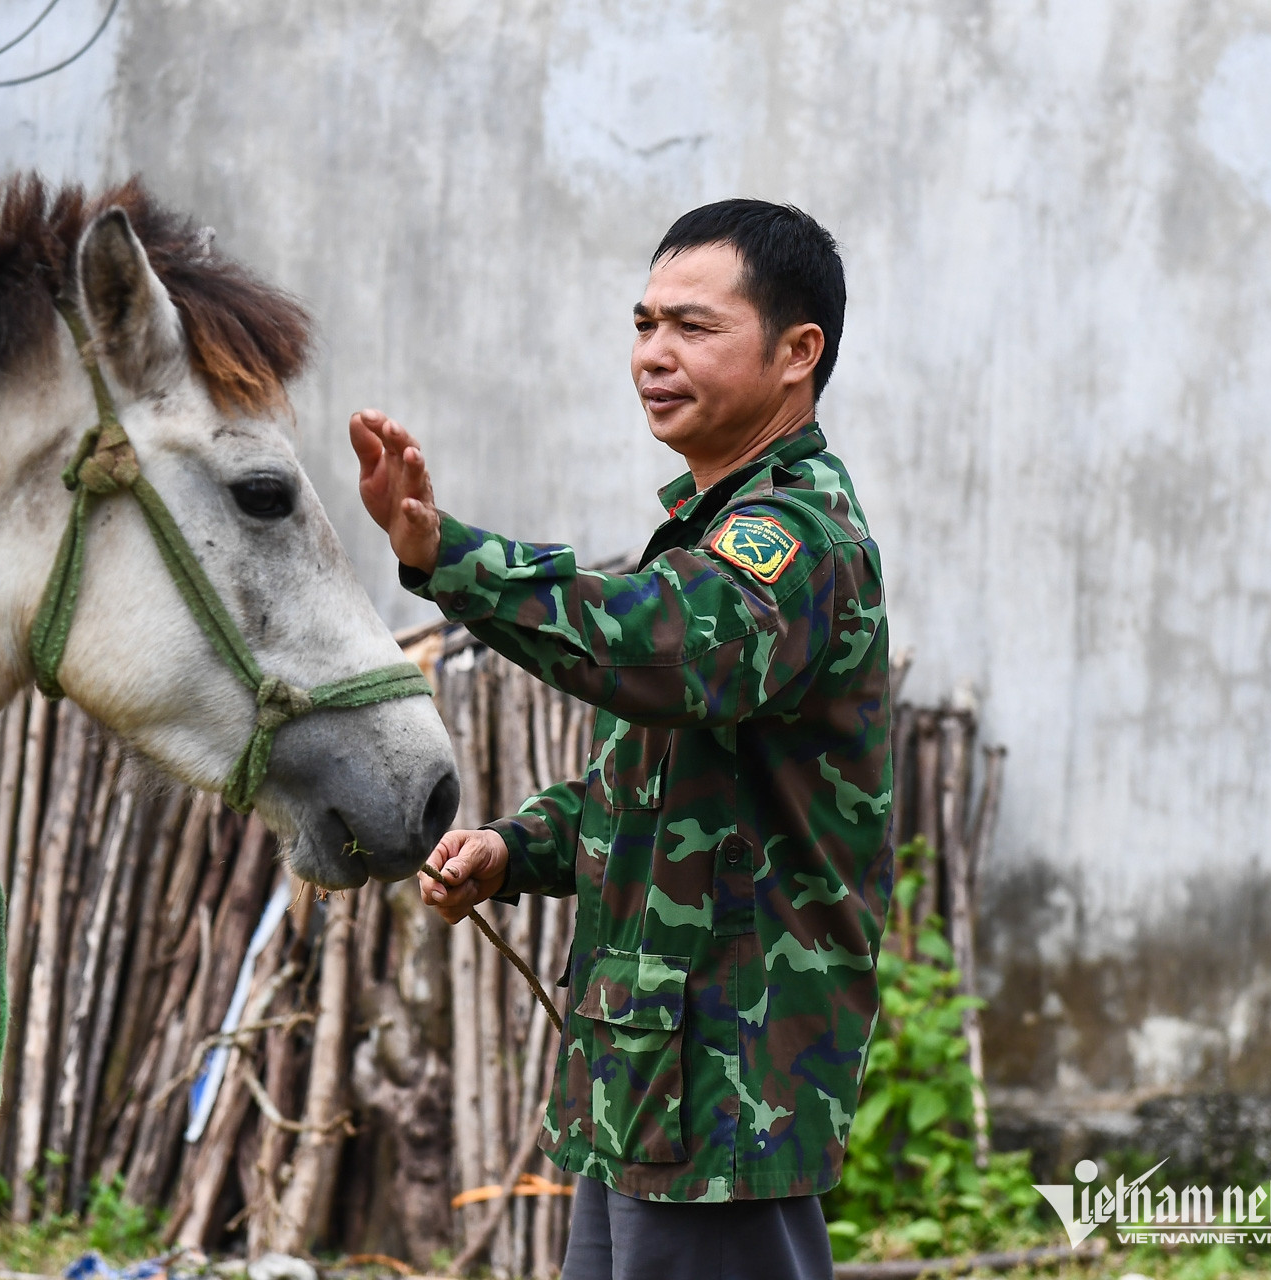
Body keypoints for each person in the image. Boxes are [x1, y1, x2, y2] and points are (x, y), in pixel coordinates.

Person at [350, 200, 891, 1280]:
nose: (653, 353)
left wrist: (447, 555)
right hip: (646, 1076)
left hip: (726, 1081)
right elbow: (645, 793)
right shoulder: (708, 526)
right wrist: (512, 847)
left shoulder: (795, 537)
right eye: (644, 323)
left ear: (798, 353)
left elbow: (665, 647)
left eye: (692, 326)